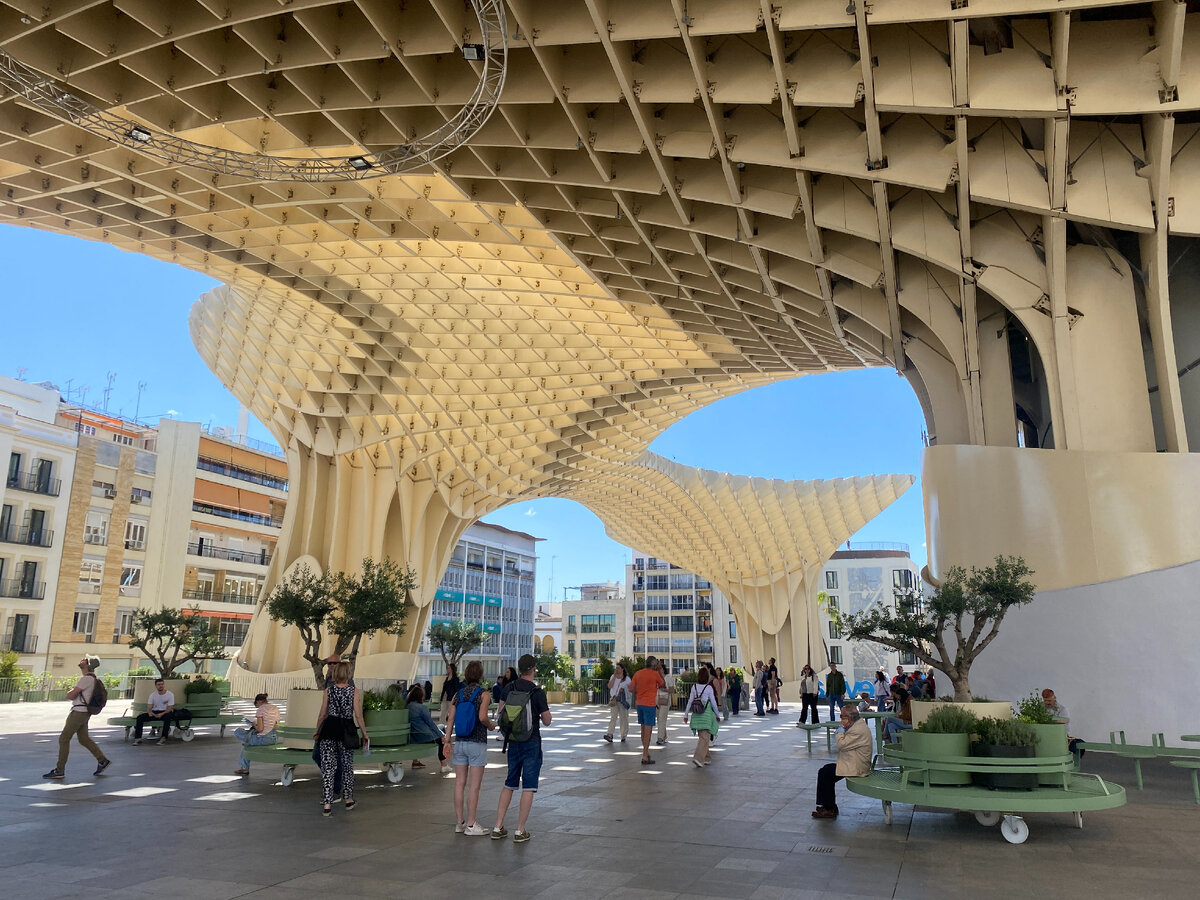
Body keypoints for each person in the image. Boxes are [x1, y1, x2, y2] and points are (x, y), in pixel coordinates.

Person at [492, 653, 551, 843]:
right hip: (531, 742)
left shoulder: (509, 688)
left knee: (509, 783)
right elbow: (547, 720)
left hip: (513, 741)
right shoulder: (537, 692)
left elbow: (501, 713)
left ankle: (498, 825)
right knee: (528, 786)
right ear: (534, 669)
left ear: (519, 669)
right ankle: (520, 830)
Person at [313, 659, 368, 817]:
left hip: (329, 729)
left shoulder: (328, 691)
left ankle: (328, 804)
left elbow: (323, 713)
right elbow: (358, 715)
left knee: (328, 768)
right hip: (347, 731)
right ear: (348, 674)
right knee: (347, 766)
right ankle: (349, 799)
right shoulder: (354, 691)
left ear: (335, 674)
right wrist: (364, 734)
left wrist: (317, 731)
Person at [445, 660, 494, 835]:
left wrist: (447, 740)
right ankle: (472, 825)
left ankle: (460, 822)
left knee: (459, 783)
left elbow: (450, 719)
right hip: (477, 743)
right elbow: (482, 718)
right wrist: (491, 725)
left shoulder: (458, 695)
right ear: (480, 675)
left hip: (460, 742)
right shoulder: (484, 694)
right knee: (474, 786)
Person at [44, 655, 111, 779]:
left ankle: (60, 770)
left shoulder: (86, 679)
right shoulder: (92, 679)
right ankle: (102, 760)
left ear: (88, 665)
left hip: (78, 712)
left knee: (64, 739)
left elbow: (70, 695)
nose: (82, 660)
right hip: (85, 712)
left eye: (85, 660)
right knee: (83, 739)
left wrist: (72, 691)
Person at [812, 705, 872, 818]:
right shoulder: (856, 725)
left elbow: (842, 745)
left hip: (857, 766)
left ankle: (829, 808)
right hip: (853, 761)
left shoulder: (858, 730)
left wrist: (839, 732)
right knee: (826, 769)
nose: (841, 720)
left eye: (842, 717)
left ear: (848, 717)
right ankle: (828, 805)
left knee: (825, 774)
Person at [405, 684, 451, 774]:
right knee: (441, 729)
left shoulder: (407, 707)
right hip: (425, 736)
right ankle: (444, 765)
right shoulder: (422, 708)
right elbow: (431, 724)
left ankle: (415, 761)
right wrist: (442, 735)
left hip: (413, 737)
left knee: (440, 729)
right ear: (420, 696)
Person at [629, 655, 666, 764]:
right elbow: (663, 684)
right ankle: (645, 755)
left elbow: (631, 688)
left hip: (639, 704)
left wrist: (639, 692)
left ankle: (646, 752)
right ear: (654, 665)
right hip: (649, 704)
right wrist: (659, 670)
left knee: (643, 728)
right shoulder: (655, 674)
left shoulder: (638, 673)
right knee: (648, 730)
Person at [234, 692, 279, 775]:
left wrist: (254, 725)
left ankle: (245, 768)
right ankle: (244, 768)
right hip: (273, 738)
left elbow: (260, 729)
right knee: (247, 742)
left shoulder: (260, 710)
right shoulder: (275, 708)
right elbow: (274, 726)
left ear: (259, 702)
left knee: (238, 731)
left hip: (263, 739)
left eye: (256, 704)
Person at [683, 667, 720, 767]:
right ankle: (698, 758)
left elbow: (690, 701)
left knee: (703, 737)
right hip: (706, 715)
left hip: (696, 714)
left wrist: (686, 715)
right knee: (705, 738)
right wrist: (717, 714)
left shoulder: (694, 687)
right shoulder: (708, 688)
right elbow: (713, 702)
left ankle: (707, 758)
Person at [1042, 688, 1084, 758]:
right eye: (1045, 701)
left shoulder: (1062, 709)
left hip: (1060, 736)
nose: (1047, 703)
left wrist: (1047, 720)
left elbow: (1063, 721)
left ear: (1054, 698)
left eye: (1049, 700)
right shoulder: (1040, 708)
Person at [133, 678, 176, 745]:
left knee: (168, 718)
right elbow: (149, 707)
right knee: (140, 717)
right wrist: (150, 713)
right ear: (156, 686)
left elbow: (170, 708)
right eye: (159, 684)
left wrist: (162, 714)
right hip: (155, 712)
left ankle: (163, 737)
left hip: (165, 712)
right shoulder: (152, 695)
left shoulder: (170, 694)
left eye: (162, 684)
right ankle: (138, 738)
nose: (161, 686)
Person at [603, 663, 631, 743]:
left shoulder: (627, 679)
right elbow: (609, 686)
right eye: (616, 668)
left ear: (622, 669)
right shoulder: (613, 676)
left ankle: (623, 735)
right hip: (614, 700)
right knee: (613, 717)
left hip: (623, 701)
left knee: (623, 718)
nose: (617, 670)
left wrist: (624, 689)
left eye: (618, 668)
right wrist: (614, 677)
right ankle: (609, 734)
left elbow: (631, 689)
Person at [656, 661, 673, 744]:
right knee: (659, 718)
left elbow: (672, 690)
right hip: (657, 698)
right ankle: (663, 735)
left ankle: (660, 737)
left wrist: (665, 689)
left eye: (660, 668)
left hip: (665, 698)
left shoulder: (668, 678)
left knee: (662, 718)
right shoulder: (656, 678)